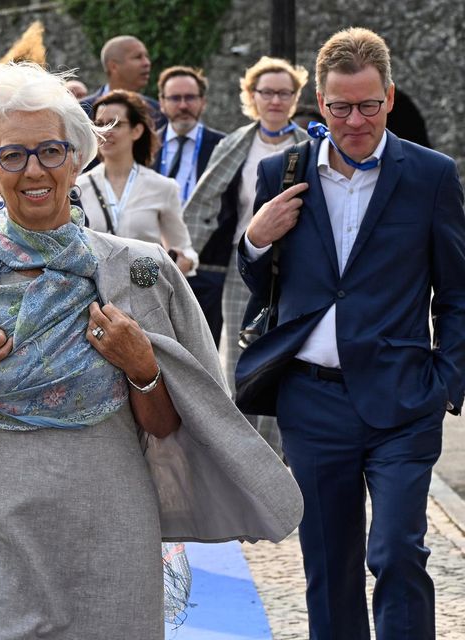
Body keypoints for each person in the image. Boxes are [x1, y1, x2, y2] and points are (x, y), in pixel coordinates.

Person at [0, 61, 302, 639]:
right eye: (12, 155)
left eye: (51, 151)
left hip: (111, 532)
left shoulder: (140, 271)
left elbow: (172, 429)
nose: (34, 170)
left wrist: (144, 368)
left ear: (78, 157)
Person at [236, 28, 465, 638]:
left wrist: (448, 378)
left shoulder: (431, 176)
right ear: (321, 100)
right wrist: (256, 237)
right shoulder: (279, 172)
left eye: (368, 105)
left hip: (404, 397)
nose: (355, 120)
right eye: (340, 107)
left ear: (389, 98)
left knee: (396, 552)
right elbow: (264, 285)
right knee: (329, 564)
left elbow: (459, 292)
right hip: (311, 401)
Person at [182, 56, 309, 453]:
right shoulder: (235, 144)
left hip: (298, 270)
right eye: (267, 92)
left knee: (288, 357)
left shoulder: (309, 146)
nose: (275, 100)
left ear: (295, 97)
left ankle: (277, 452)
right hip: (245, 266)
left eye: (284, 92)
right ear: (251, 96)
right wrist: (183, 254)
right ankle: (244, 452)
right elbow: (202, 203)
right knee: (239, 359)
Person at [77, 89, 198, 275]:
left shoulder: (163, 187)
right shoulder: (78, 188)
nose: (105, 132)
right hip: (95, 295)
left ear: (136, 131)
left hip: (146, 292)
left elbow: (183, 247)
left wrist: (186, 261)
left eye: (114, 124)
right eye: (99, 124)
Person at [153, 66, 225, 204]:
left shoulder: (223, 146)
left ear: (203, 102)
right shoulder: (145, 145)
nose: (183, 106)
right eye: (175, 98)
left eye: (190, 97)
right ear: (162, 103)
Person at [81, 35, 166, 130]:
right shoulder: (82, 111)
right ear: (113, 66)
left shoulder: (157, 111)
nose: (147, 63)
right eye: (138, 57)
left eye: (146, 57)